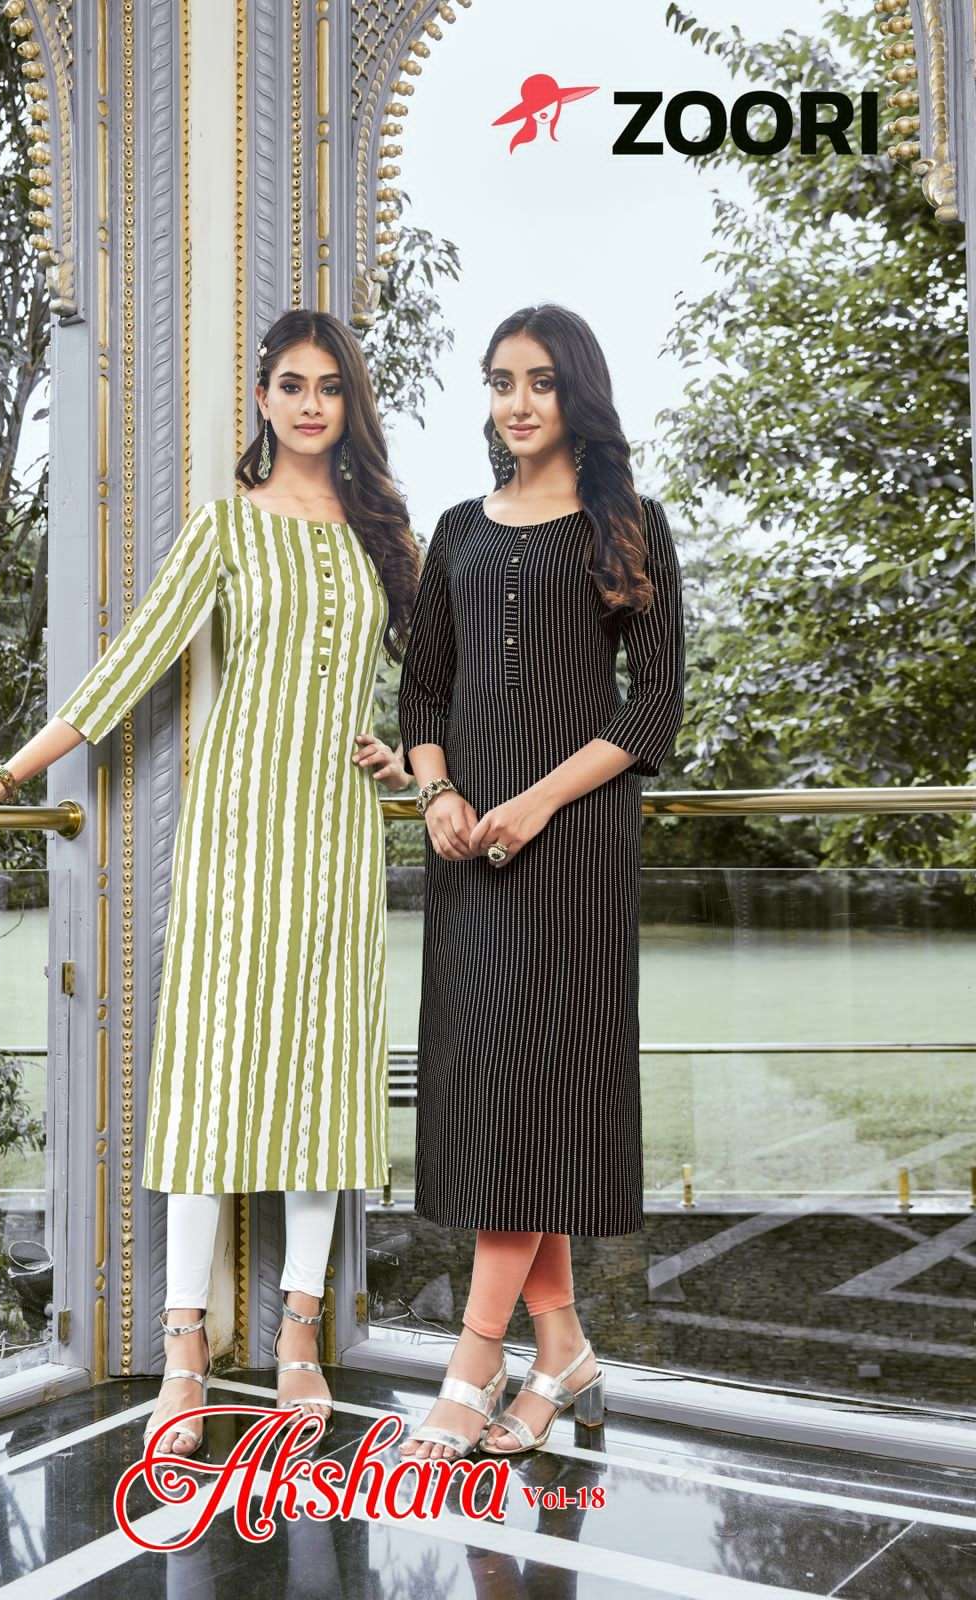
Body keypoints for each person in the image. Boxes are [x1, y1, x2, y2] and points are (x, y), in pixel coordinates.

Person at [0, 308, 416, 1456]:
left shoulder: (382, 533)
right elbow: (131, 661)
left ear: (349, 403)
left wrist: (405, 756)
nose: (310, 405)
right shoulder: (225, 527)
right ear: (263, 397)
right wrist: (8, 775)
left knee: (324, 1075)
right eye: (292, 384)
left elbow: (433, 678)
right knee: (212, 1077)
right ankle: (185, 1348)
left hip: (339, 838)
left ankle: (297, 1336)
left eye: (330, 387)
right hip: (236, 839)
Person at [395, 303, 686, 1460]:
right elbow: (424, 691)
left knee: (533, 1091)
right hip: (470, 857)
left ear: (579, 395)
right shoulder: (462, 529)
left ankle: (474, 1362)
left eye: (541, 382)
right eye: (501, 381)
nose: (517, 402)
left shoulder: (631, 527)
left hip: (576, 854)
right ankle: (562, 1350)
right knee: (507, 1101)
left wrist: (537, 802)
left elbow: (655, 703)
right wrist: (438, 793)